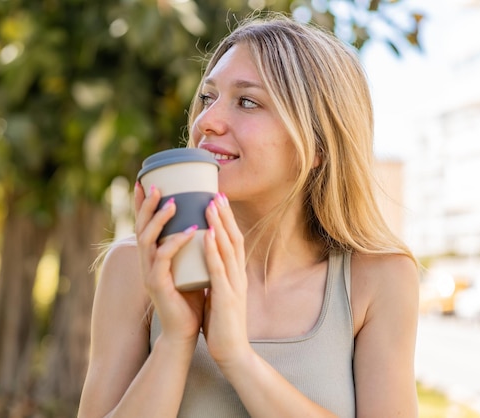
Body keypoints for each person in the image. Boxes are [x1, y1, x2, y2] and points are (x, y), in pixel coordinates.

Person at [78, 13, 419, 418]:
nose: (206, 121)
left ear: (317, 146)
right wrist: (175, 338)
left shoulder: (378, 279)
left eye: (247, 101)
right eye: (208, 97)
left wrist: (238, 358)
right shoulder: (136, 269)